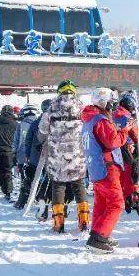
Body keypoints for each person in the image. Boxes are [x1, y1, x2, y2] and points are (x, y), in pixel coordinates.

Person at [83, 88, 131, 253]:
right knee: (117, 203)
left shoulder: (89, 119)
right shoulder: (100, 120)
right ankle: (99, 237)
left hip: (97, 167)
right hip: (106, 167)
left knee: (102, 203)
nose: (113, 106)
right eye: (111, 103)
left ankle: (97, 234)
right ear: (104, 102)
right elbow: (112, 141)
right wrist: (125, 130)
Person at [38, 81, 89, 233]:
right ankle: (84, 221)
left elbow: (42, 131)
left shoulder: (51, 108)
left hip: (57, 156)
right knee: (79, 186)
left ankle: (58, 223)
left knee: (58, 187)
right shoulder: (82, 107)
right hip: (77, 155)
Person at [15, 102, 48, 211]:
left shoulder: (35, 123)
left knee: (30, 179)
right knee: (47, 180)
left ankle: (22, 201)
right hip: (51, 158)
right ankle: (44, 200)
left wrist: (27, 155)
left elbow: (28, 141)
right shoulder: (57, 123)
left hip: (35, 157)